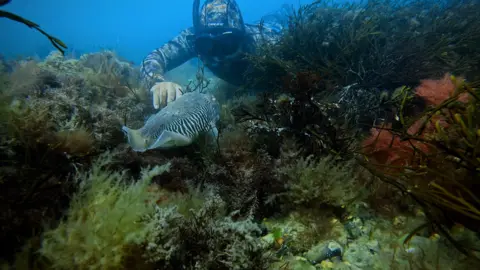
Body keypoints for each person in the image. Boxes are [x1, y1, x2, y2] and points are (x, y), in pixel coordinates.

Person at [141, 0, 285, 109]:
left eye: (228, 44)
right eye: (208, 46)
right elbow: (155, 58)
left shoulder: (264, 42)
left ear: (242, 38)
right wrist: (157, 82)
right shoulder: (192, 39)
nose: (219, 56)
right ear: (200, 41)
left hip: (275, 29)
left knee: (278, 21)